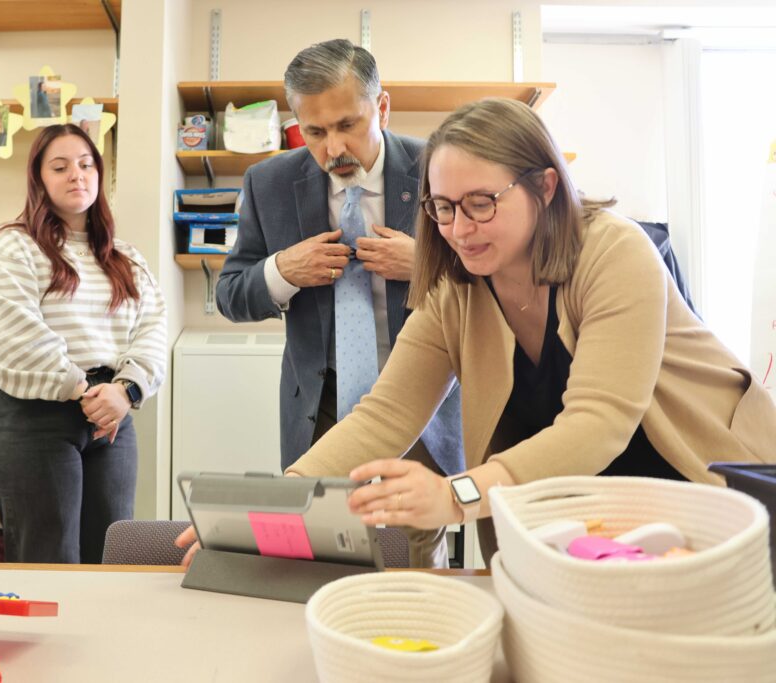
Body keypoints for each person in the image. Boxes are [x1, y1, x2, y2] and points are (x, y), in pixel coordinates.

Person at [283, 97, 776, 561]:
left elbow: (597, 423)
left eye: (481, 203)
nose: (458, 230)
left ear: (545, 187)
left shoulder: (614, 252)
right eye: (444, 207)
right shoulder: (456, 286)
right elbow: (386, 415)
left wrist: (458, 496)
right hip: (589, 517)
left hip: (706, 491)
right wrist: (284, 495)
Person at [180, 39, 463, 568]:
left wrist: (424, 264)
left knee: (419, 558)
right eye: (315, 132)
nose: (334, 148)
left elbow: (489, 281)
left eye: (348, 125)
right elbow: (231, 296)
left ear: (381, 107)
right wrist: (280, 272)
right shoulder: (270, 182)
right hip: (323, 404)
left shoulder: (437, 168)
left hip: (424, 399)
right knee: (322, 556)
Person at [0, 123, 167, 564]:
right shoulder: (13, 246)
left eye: (85, 165)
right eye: (59, 167)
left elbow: (153, 328)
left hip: (113, 419)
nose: (76, 175)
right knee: (49, 559)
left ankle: (104, 637)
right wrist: (86, 392)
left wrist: (125, 391)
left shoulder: (125, 257)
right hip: (36, 416)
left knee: (112, 557)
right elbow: (10, 334)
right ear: (39, 180)